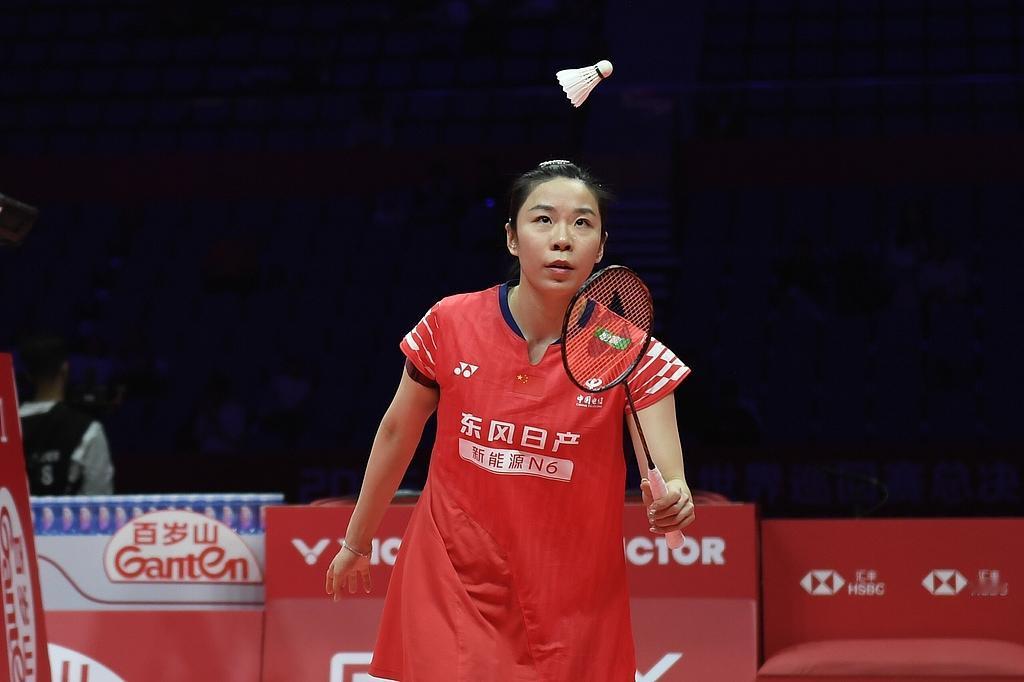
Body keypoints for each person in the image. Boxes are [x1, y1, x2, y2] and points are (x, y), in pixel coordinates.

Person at [325, 160, 695, 681]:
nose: (562, 239)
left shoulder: (628, 350)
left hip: (571, 596)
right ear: (512, 238)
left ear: (601, 247)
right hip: (455, 576)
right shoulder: (450, 322)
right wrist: (357, 540)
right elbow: (397, 431)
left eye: (582, 223)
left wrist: (674, 499)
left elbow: (670, 476)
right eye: (543, 220)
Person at [18, 334, 114, 495]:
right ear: (65, 368)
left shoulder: (5, 427)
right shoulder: (89, 429)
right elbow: (99, 501)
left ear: (27, 374)